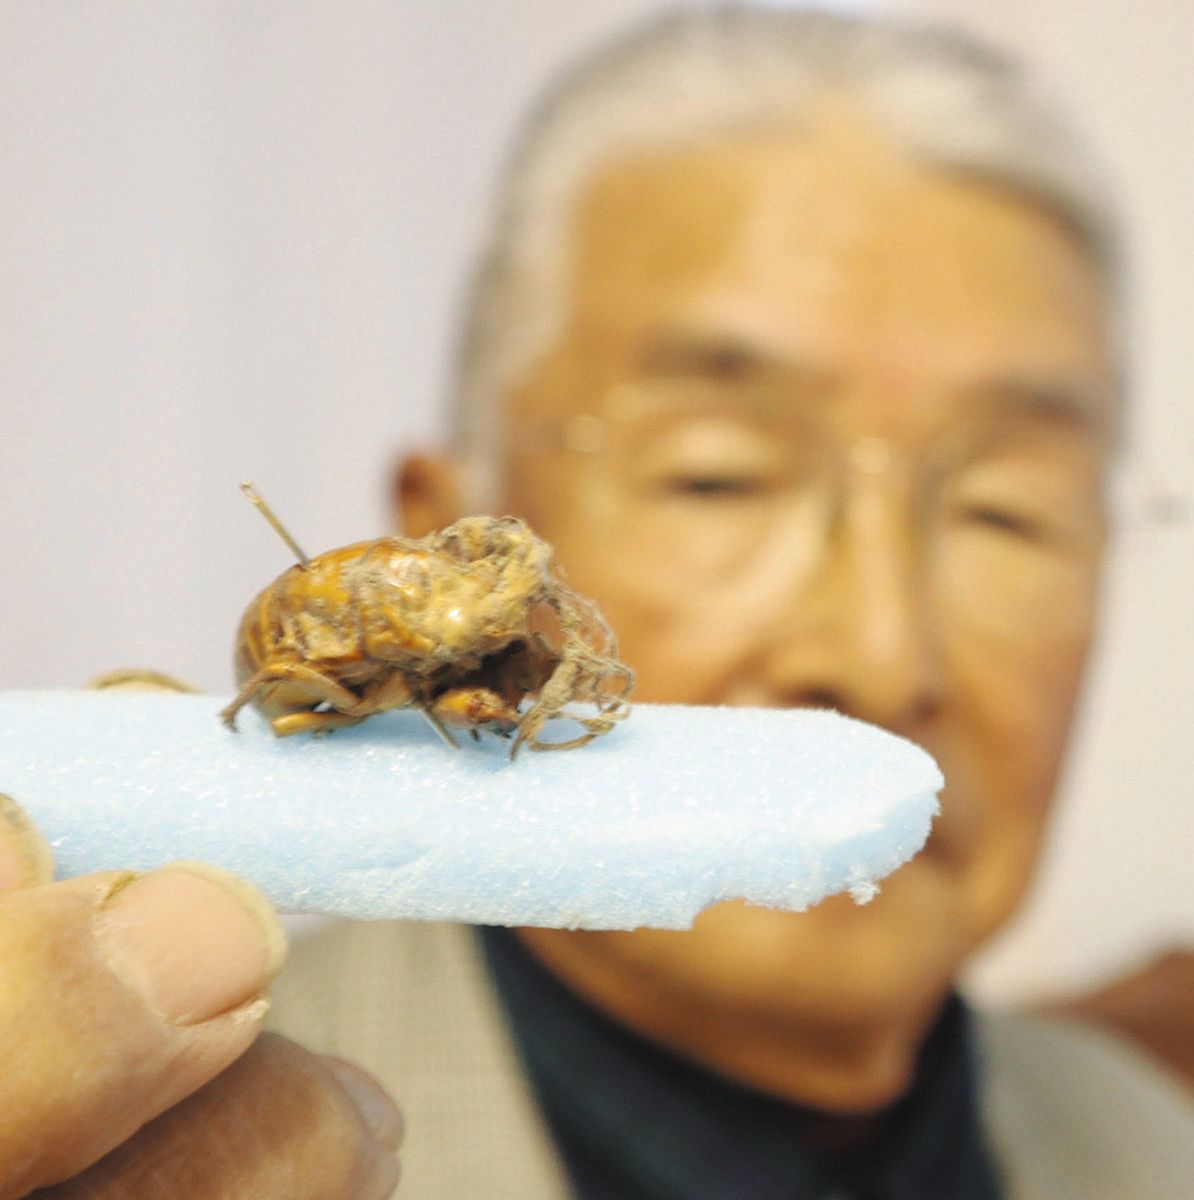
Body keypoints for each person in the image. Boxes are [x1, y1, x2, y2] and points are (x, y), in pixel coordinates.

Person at [4, 6, 1191, 1198]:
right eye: (719, 475)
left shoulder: (1156, 1146)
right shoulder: (132, 1142)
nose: (882, 661)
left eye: (1009, 509)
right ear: (434, 528)